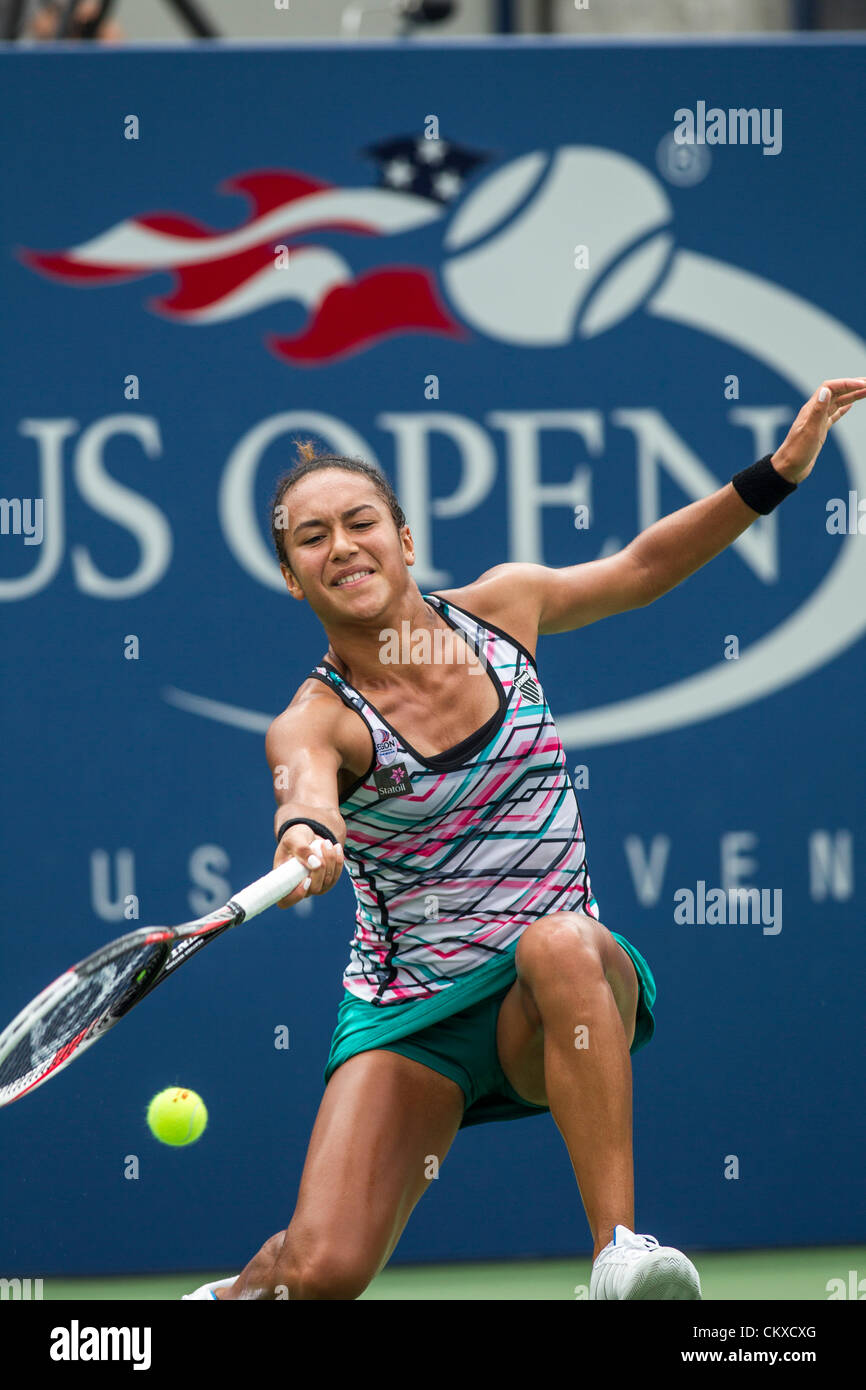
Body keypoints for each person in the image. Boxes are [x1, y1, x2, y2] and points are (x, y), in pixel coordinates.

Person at [184, 377, 866, 1301]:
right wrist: (307, 839)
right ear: (291, 575)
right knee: (321, 1272)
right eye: (313, 538)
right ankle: (228, 1296)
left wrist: (779, 473)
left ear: (405, 539)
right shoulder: (316, 721)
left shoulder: (504, 608)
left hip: (554, 997)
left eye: (360, 522)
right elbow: (303, 796)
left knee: (559, 937)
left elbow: (643, 566)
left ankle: (616, 1254)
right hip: (413, 1015)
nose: (342, 546)